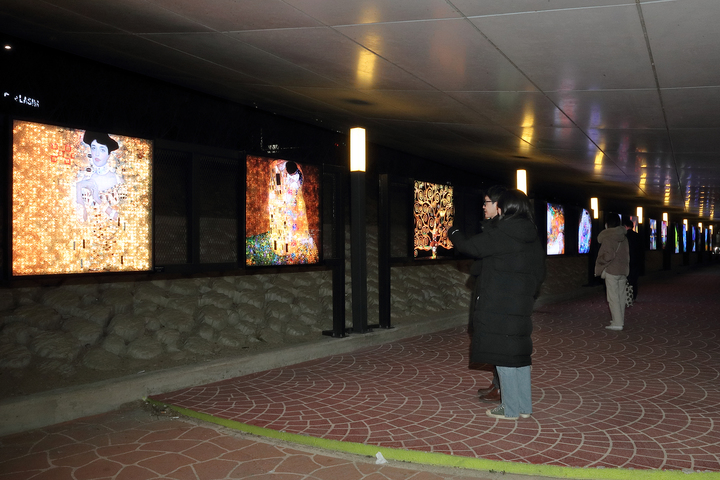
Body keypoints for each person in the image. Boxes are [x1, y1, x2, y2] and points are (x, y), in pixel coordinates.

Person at [450, 189, 546, 420]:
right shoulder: (530, 234)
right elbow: (540, 272)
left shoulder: (504, 231)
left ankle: (510, 409)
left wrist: (453, 232)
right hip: (520, 305)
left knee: (504, 357)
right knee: (519, 357)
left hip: (499, 305)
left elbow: (471, 247)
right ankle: (523, 407)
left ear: (504, 208)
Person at [468, 185, 506, 403]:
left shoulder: (499, 232)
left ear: (498, 206)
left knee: (498, 341)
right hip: (489, 291)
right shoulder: (493, 229)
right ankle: (497, 383)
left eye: (487, 202)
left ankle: (501, 388)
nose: (483, 206)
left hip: (496, 295)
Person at [75, 131, 124, 222]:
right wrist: (78, 187)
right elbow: (81, 220)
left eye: (102, 149)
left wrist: (97, 199)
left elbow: (123, 220)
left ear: (109, 154)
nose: (97, 154)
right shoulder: (85, 180)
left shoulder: (118, 181)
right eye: (94, 148)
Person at [594, 213, 629, 330]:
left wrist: (600, 260)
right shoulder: (624, 238)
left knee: (613, 297)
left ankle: (617, 323)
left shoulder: (608, 238)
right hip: (623, 270)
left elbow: (608, 256)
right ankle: (619, 319)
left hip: (612, 271)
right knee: (621, 296)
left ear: (607, 224)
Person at [622, 217, 640, 302]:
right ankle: (634, 296)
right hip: (636, 260)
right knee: (634, 279)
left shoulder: (624, 236)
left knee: (627, 279)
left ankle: (627, 296)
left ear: (625, 226)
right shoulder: (637, 236)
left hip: (626, 260)